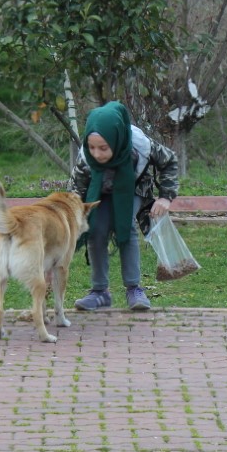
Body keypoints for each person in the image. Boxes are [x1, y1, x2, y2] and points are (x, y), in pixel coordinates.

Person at [68, 101, 180, 311]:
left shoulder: (140, 144)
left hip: (133, 188)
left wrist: (165, 197)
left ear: (117, 139)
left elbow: (169, 161)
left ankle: (134, 289)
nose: (97, 154)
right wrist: (74, 217)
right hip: (99, 192)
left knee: (125, 226)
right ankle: (99, 292)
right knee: (96, 229)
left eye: (103, 148)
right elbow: (76, 188)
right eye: (92, 147)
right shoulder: (86, 158)